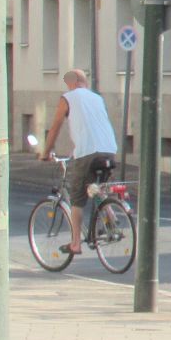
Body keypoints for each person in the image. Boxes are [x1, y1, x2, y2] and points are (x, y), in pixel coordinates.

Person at [38, 69, 118, 259]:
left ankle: (75, 243)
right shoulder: (97, 98)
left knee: (77, 198)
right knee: (96, 187)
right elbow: (92, 126)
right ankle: (112, 220)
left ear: (71, 82)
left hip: (88, 153)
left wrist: (46, 152)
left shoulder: (68, 98)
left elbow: (55, 127)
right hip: (109, 150)